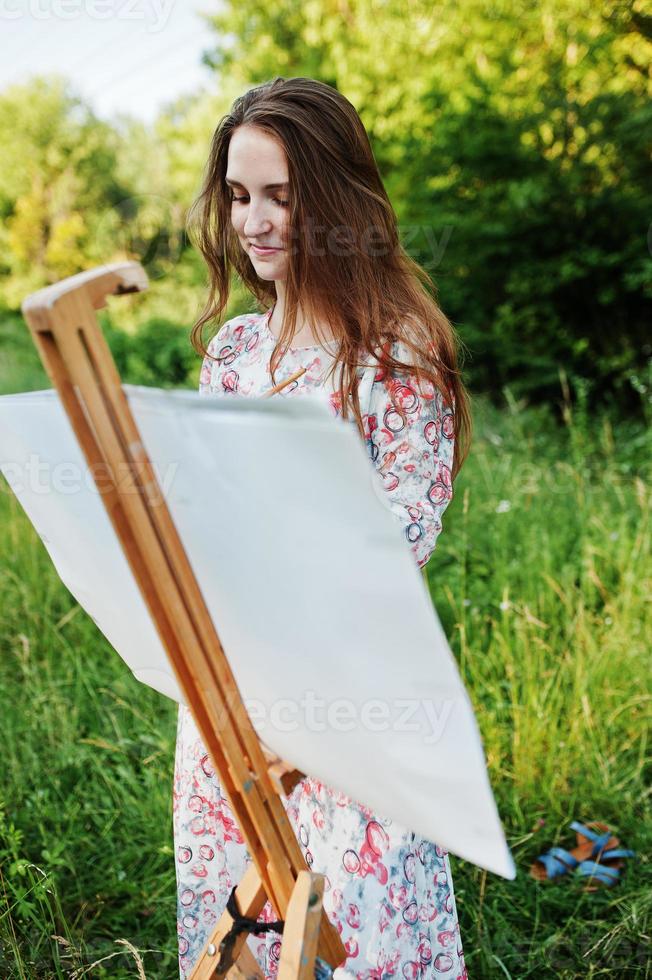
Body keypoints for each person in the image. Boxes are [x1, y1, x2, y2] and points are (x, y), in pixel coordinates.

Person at [174, 76, 472, 979]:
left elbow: (392, 553)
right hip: (230, 701)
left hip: (350, 706)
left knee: (352, 930)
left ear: (338, 202)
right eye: (237, 196)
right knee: (240, 941)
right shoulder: (232, 357)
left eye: (281, 197)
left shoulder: (397, 356)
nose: (254, 222)